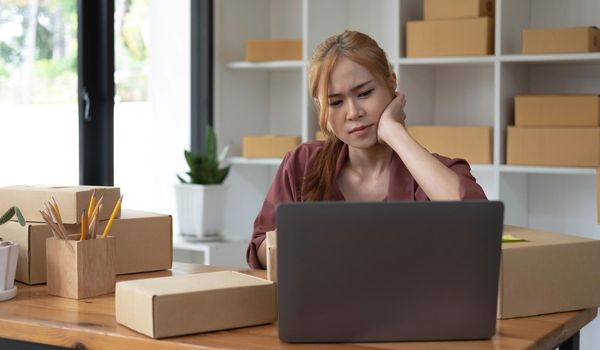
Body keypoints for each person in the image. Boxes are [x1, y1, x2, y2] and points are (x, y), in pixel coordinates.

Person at [246, 30, 487, 269]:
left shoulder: (435, 174)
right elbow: (260, 250)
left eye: (365, 93)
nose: (353, 113)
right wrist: (299, 238)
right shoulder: (301, 163)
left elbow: (479, 224)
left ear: (391, 84)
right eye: (336, 102)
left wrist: (395, 133)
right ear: (320, 107)